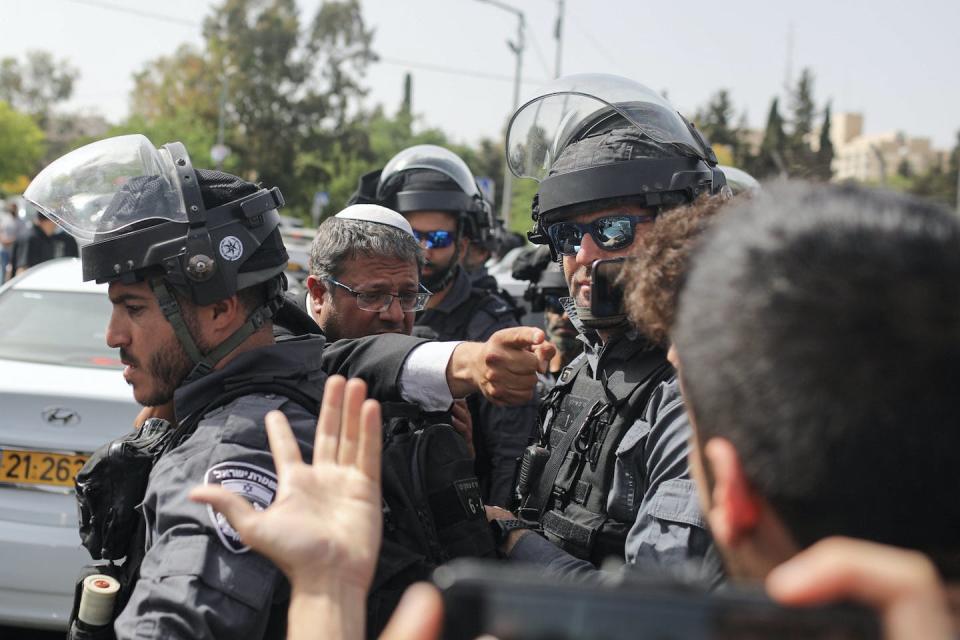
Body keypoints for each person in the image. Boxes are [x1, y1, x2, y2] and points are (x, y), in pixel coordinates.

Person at [25, 134, 549, 640]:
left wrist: (471, 363)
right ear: (316, 296)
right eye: (372, 295)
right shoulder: (275, 373)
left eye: (133, 308)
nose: (113, 335)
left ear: (221, 309)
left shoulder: (235, 443)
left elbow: (182, 616)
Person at [486, 74, 728, 579]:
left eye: (612, 230)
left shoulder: (694, 391)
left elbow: (654, 620)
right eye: (567, 234)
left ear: (682, 226)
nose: (584, 255)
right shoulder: (593, 362)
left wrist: (514, 544)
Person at [349, 144, 537, 507]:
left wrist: (499, 533)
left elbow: (510, 453)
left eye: (437, 239)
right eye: (412, 237)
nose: (423, 251)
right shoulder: (366, 308)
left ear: (463, 242)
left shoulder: (488, 323)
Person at [12, 208, 78, 276]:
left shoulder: (46, 237)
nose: (56, 225)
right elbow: (22, 270)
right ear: (48, 221)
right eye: (55, 221)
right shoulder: (30, 238)